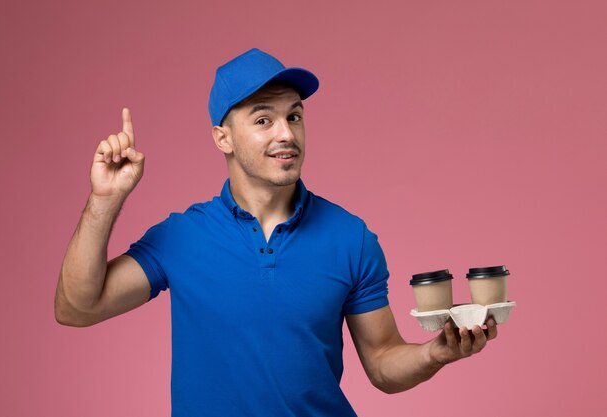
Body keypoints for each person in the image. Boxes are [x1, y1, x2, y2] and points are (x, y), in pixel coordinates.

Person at [55, 47, 498, 416]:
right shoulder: (182, 237)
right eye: (263, 119)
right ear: (222, 138)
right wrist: (105, 200)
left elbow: (382, 362)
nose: (286, 133)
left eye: (295, 116)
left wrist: (434, 353)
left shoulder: (351, 238)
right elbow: (78, 308)